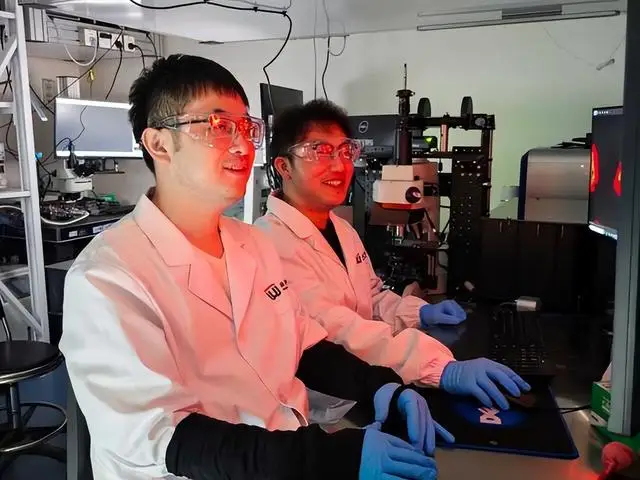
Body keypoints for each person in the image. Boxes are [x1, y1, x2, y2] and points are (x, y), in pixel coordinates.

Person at [59, 54, 453, 480]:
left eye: (246, 128)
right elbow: (160, 436)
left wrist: (380, 389)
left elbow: (302, 344)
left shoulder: (252, 244)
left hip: (283, 453)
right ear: (159, 144)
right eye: (218, 125)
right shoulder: (107, 277)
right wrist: (322, 458)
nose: (243, 146)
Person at [254, 99, 531, 410]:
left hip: (370, 380)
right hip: (323, 405)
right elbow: (337, 330)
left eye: (345, 151)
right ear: (284, 167)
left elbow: (369, 296)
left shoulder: (340, 228)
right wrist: (439, 368)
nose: (339, 165)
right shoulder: (269, 243)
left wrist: (417, 312)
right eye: (320, 151)